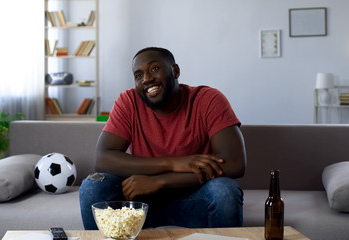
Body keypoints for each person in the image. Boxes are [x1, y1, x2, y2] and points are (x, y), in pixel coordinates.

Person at [79, 47, 246, 229]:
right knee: (92, 186)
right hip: (139, 205)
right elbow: (102, 158)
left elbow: (234, 163)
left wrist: (159, 181)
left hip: (194, 201)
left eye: (154, 69)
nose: (147, 79)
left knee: (225, 190)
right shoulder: (128, 101)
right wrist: (173, 163)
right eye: (138, 75)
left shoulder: (208, 99)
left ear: (175, 71)